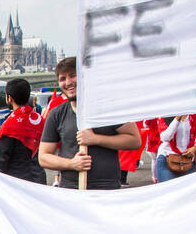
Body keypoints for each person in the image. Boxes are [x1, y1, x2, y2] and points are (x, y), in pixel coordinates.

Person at [38, 57, 141, 190]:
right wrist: (72, 164)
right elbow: (44, 157)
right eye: (63, 78)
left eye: (73, 76)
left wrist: (96, 139)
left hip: (107, 190)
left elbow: (134, 141)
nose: (68, 82)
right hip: (71, 190)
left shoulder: (108, 108)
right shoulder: (56, 114)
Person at [0, 77, 46, 184]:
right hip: (39, 181)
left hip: (16, 183)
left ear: (9, 98)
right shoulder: (40, 120)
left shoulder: (10, 125)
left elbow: (1, 160)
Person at [152, 115, 196, 183]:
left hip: (187, 160)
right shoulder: (166, 115)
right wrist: (177, 119)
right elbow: (165, 137)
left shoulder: (194, 117)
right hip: (167, 159)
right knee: (168, 190)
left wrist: (194, 147)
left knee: (189, 191)